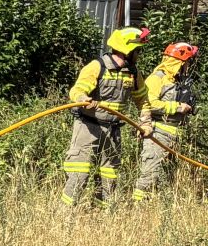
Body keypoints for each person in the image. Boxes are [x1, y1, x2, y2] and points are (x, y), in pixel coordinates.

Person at [61, 26, 153, 209]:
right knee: (79, 172)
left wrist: (146, 122)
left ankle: (103, 212)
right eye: (138, 50)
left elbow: (143, 100)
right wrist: (83, 98)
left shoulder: (133, 73)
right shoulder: (97, 67)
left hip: (113, 130)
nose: (139, 55)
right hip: (89, 127)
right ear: (128, 50)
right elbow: (77, 90)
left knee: (109, 174)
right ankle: (65, 213)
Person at [133, 41, 200, 203]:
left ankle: (158, 206)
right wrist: (177, 107)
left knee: (166, 176)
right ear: (181, 62)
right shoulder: (157, 78)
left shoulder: (177, 80)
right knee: (149, 174)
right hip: (157, 134)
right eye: (188, 62)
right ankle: (137, 205)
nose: (189, 66)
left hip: (175, 136)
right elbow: (149, 103)